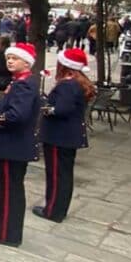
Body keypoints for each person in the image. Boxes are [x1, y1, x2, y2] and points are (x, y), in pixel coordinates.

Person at [0, 42, 41, 247]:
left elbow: (17, 115)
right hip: (12, 144)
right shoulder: (19, 81)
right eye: (8, 58)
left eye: (14, 58)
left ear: (26, 63)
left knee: (10, 190)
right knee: (8, 189)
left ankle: (8, 233)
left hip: (12, 145)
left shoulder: (24, 84)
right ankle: (6, 226)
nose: (9, 61)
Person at [35, 48, 93, 223]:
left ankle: (52, 210)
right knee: (64, 174)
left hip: (59, 136)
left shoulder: (67, 85)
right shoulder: (78, 82)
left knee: (56, 174)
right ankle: (58, 208)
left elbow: (61, 109)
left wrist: (45, 107)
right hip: (69, 136)